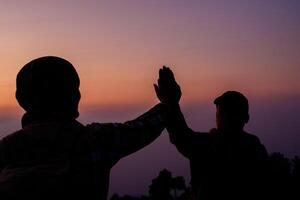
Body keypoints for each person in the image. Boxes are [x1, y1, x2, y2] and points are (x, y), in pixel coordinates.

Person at [0, 56, 167, 200]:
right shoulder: (96, 140)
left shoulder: (5, 149)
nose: (78, 95)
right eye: (75, 88)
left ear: (21, 99)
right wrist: (168, 102)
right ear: (71, 96)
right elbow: (142, 128)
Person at [154, 67, 269, 200]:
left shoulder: (210, 146)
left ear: (245, 117)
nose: (222, 118)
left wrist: (171, 103)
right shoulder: (256, 148)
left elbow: (182, 136)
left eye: (227, 114)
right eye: (221, 114)